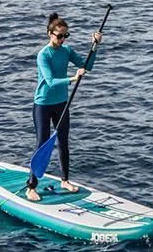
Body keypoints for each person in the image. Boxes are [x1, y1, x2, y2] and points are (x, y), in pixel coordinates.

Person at [26, 12, 102, 202]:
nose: (62, 39)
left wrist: (95, 45)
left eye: (65, 36)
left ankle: (65, 180)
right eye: (59, 35)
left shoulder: (66, 51)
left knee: (63, 142)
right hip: (42, 104)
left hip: (61, 103)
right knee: (42, 144)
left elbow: (87, 66)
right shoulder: (43, 55)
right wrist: (73, 78)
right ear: (49, 34)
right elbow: (50, 81)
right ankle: (31, 187)